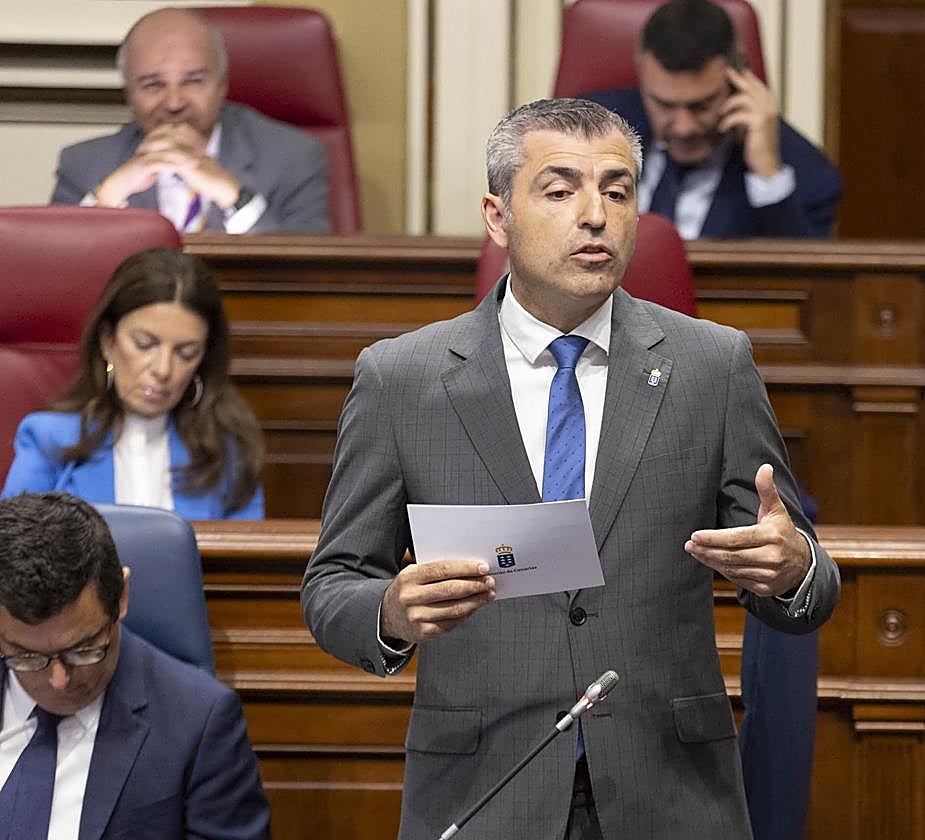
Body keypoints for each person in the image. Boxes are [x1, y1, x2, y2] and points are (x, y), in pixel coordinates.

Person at [302, 97, 840, 840]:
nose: (595, 215)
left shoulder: (710, 366)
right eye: (560, 191)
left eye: (617, 191)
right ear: (498, 217)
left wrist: (794, 567)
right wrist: (390, 615)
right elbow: (332, 586)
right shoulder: (403, 379)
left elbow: (805, 582)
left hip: (671, 793)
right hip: (485, 790)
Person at [0, 491, 271, 839]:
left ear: (122, 596)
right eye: (27, 656)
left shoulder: (200, 723)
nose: (58, 680)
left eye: (83, 649)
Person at [2, 248, 264, 520]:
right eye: (144, 345)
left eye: (186, 353)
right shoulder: (49, 440)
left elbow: (244, 560)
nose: (163, 370)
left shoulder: (230, 452)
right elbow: (14, 554)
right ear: (107, 341)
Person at [50, 8, 330, 235]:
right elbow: (57, 273)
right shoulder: (84, 166)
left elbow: (307, 276)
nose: (174, 103)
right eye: (152, 85)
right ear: (129, 94)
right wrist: (107, 198)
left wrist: (235, 198)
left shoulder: (293, 159)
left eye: (193, 82)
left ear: (222, 85)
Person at [583, 0, 841, 239]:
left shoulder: (808, 175)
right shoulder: (590, 130)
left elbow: (808, 284)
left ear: (737, 79)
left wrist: (768, 177)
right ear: (641, 73)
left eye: (701, 106)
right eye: (664, 105)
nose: (684, 128)